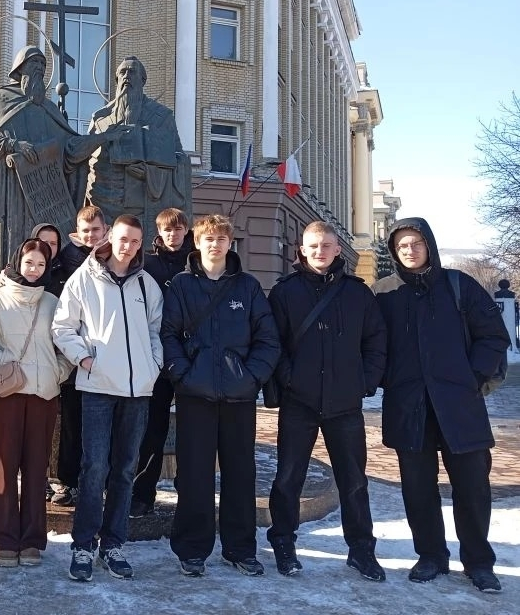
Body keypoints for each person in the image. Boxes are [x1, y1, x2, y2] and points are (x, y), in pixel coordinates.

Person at [372, 218, 510, 593]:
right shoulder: (383, 292)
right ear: (394, 251)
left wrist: (472, 377)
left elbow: (493, 336)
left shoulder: (458, 285)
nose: (410, 250)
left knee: (472, 488)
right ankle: (431, 555)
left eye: (416, 243)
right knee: (418, 489)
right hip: (408, 405)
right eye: (402, 245)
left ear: (429, 245)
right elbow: (370, 342)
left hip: (459, 405)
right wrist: (382, 378)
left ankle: (479, 562)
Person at [266, 221, 387, 580]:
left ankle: (361, 550)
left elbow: (376, 340)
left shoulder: (357, 293)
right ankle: (284, 543)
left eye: (326, 246)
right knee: (289, 477)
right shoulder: (285, 292)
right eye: (313, 246)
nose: (320, 252)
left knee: (354, 481)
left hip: (344, 404)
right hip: (299, 402)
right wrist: (290, 379)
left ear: (337, 250)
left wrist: (365, 381)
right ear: (302, 250)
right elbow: (274, 343)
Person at [161, 214, 279, 578]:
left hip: (238, 398)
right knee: (194, 475)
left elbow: (267, 339)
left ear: (230, 243)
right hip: (195, 396)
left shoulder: (248, 287)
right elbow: (168, 334)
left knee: (240, 474)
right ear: (197, 243)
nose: (215, 245)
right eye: (208, 239)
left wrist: (251, 378)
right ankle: (192, 548)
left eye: (221, 239)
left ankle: (240, 547)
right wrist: (183, 375)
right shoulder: (181, 286)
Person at [52, 214, 163, 583]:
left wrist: (152, 366)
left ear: (140, 244)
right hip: (98, 387)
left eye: (134, 241)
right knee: (94, 468)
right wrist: (85, 359)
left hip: (137, 391)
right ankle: (83, 545)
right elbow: (63, 326)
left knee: (126, 470)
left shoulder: (147, 284)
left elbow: (155, 330)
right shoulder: (85, 278)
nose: (127, 246)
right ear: (110, 237)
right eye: (122, 239)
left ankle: (113, 544)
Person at [0, 45, 116, 296]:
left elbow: (70, 150)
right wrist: (11, 145)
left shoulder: (49, 109)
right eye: (34, 65)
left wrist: (102, 138)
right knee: (9, 253)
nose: (39, 71)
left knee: (48, 255)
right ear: (19, 69)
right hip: (10, 198)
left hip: (45, 197)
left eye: (43, 67)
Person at [0, 239, 73, 567]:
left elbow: (67, 343)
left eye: (41, 265)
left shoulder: (53, 303)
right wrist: (3, 363)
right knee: (4, 467)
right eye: (29, 262)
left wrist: (57, 372)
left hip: (44, 396)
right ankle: (5, 540)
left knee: (36, 468)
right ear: (18, 262)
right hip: (7, 394)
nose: (34, 269)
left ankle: (31, 541)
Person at [130, 208, 195, 518]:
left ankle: (189, 492)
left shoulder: (195, 262)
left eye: (178, 229)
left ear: (186, 231)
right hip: (155, 357)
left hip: (189, 357)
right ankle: (143, 494)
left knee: (191, 430)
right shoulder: (147, 264)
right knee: (151, 431)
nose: (173, 234)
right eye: (168, 230)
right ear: (159, 232)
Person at [86, 57, 192, 237]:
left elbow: (180, 160)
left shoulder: (161, 116)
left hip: (143, 204)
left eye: (132, 72)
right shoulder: (100, 118)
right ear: (117, 80)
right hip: (103, 201)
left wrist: (151, 173)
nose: (127, 76)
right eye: (122, 72)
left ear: (143, 81)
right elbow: (85, 157)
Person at [50, 206, 108, 508]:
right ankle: (68, 481)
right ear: (77, 232)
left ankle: (101, 484)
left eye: (96, 230)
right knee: (72, 427)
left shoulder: (115, 258)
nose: (91, 235)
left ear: (105, 230)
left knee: (105, 429)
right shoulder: (64, 263)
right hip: (74, 359)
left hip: (108, 359)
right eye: (86, 231)